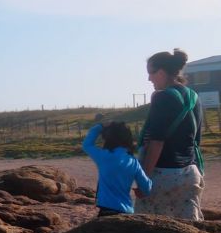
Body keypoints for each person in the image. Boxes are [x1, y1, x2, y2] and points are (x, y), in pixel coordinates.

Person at [135, 48, 204, 220]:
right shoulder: (193, 97)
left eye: (151, 73)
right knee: (189, 231)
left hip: (164, 175)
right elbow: (196, 139)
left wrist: (144, 180)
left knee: (146, 228)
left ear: (161, 72)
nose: (149, 78)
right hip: (190, 174)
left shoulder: (163, 97)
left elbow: (156, 142)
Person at [82, 121, 152, 215]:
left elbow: (87, 144)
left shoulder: (103, 156)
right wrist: (140, 190)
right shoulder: (133, 162)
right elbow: (147, 188)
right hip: (127, 211)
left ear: (108, 139)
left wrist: (100, 126)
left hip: (106, 210)